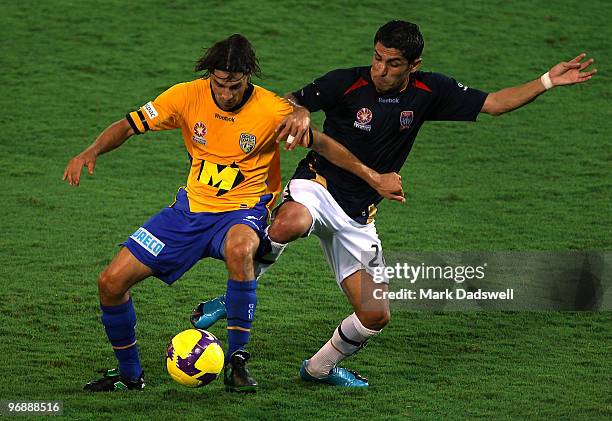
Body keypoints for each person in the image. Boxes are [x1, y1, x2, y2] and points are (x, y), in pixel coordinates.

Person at [191, 21, 597, 387]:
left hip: (359, 216)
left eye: (393, 63)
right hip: (318, 185)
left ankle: (319, 369)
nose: (380, 69)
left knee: (375, 315)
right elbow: (290, 101)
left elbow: (494, 103)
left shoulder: (429, 92)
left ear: (413, 65)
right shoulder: (346, 82)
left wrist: (547, 81)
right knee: (289, 222)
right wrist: (297, 111)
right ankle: (233, 299)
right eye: (377, 57)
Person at [63, 34, 403, 393]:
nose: (226, 94)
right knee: (110, 283)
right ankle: (130, 376)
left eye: (235, 86)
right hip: (188, 212)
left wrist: (372, 176)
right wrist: (91, 151)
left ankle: (237, 362)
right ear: (210, 75)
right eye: (220, 84)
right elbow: (129, 124)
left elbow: (323, 144)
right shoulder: (184, 95)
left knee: (241, 250)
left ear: (248, 77)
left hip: (244, 210)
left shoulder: (271, 109)